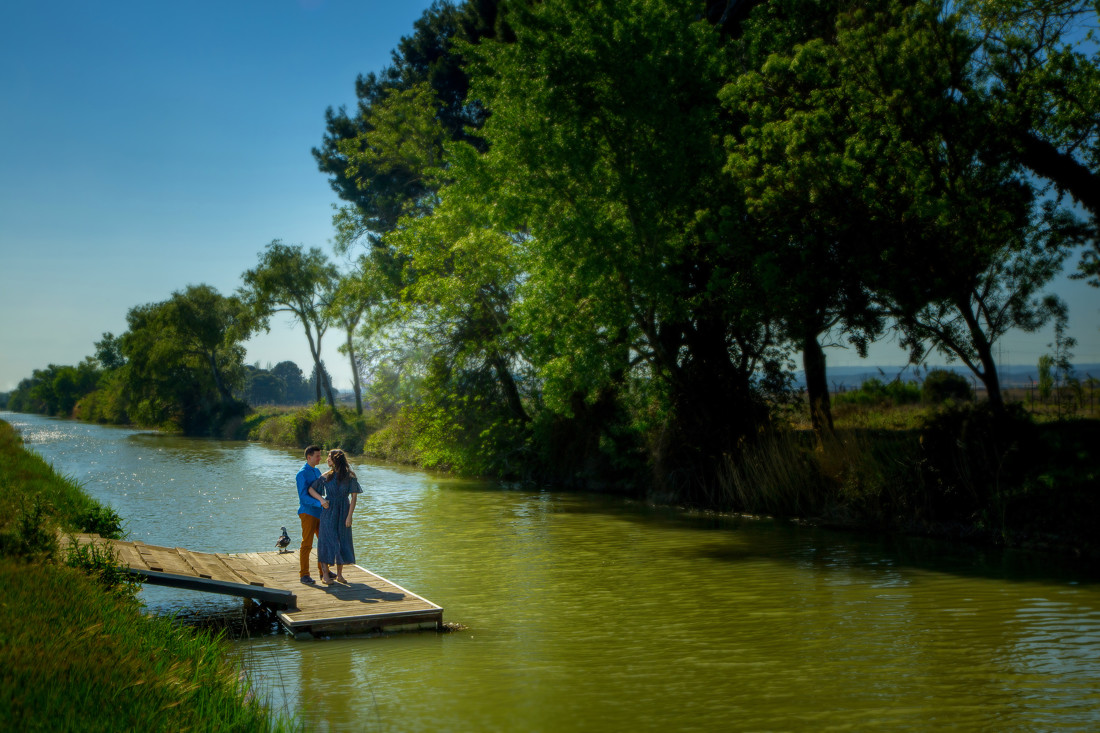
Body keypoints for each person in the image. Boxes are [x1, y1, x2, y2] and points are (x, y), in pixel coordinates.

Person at [307, 448, 362, 585]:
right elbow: (311, 489)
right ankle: (325, 575)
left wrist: (350, 516)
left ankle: (339, 575)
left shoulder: (350, 476)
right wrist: (321, 500)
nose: (327, 459)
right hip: (329, 511)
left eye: (329, 457)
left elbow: (354, 498)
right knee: (326, 541)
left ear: (336, 459)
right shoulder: (326, 476)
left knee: (342, 541)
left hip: (344, 510)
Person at [295, 445, 326, 585]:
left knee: (324, 542)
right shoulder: (301, 474)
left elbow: (321, 491)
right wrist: (320, 503)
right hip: (307, 513)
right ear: (309, 457)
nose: (320, 458)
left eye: (320, 455)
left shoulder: (317, 470)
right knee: (307, 544)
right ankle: (304, 574)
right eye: (317, 456)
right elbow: (303, 498)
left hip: (320, 513)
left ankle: (323, 571)